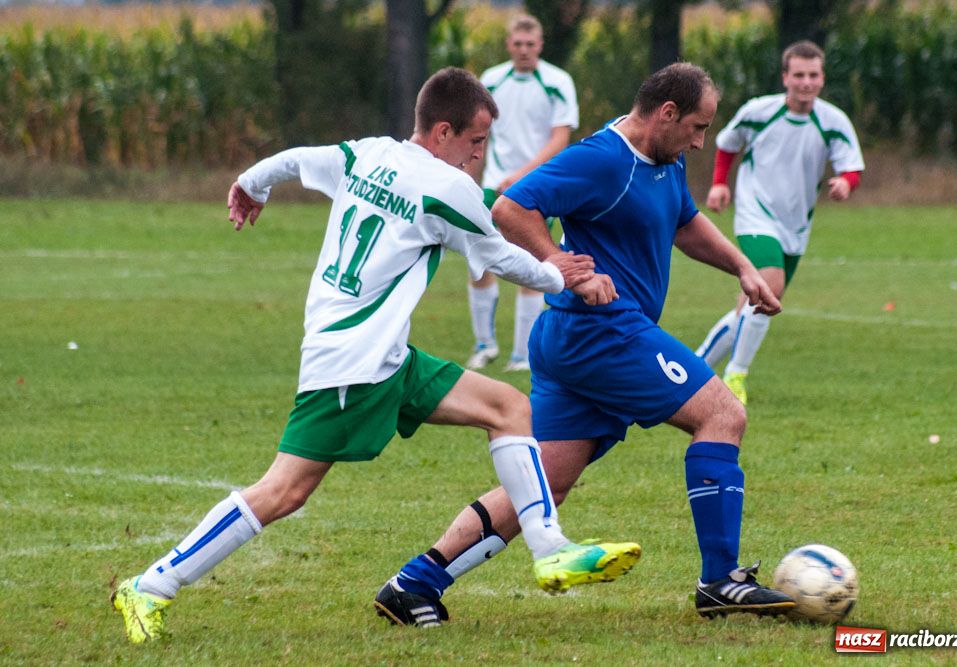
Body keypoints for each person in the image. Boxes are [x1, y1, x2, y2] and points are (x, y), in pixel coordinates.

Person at [110, 67, 640, 643]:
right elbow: (500, 258)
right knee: (284, 490)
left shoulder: (364, 154)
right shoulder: (447, 186)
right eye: (476, 141)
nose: (479, 153)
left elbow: (292, 159)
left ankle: (550, 549)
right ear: (442, 132)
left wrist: (250, 183)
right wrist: (564, 278)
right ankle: (151, 584)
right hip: (353, 365)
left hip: (381, 353)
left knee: (509, 408)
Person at [377, 62, 796, 623]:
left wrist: (742, 267)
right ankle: (720, 579)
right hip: (603, 332)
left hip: (575, 341)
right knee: (723, 415)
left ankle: (413, 584)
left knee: (543, 484)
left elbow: (685, 222)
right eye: (698, 126)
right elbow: (510, 207)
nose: (702, 141)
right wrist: (559, 264)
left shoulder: (663, 159)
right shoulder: (603, 159)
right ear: (667, 114)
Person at [695, 40, 865, 405]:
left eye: (813, 75)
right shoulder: (760, 111)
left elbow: (852, 165)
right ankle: (735, 377)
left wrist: (844, 183)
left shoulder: (833, 120)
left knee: (749, 305)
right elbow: (727, 142)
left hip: (796, 224)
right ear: (785, 77)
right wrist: (720, 183)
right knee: (768, 284)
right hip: (754, 211)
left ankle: (693, 371)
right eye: (799, 75)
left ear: (822, 78)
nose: (806, 82)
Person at [465, 14, 579, 372]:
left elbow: (560, 138)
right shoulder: (491, 81)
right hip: (492, 185)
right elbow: (478, 134)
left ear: (540, 45)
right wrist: (470, 176)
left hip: (535, 188)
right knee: (478, 260)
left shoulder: (558, 82)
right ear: (509, 44)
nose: (524, 50)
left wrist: (522, 175)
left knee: (530, 265)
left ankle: (522, 355)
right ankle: (484, 344)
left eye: (531, 44)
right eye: (518, 44)